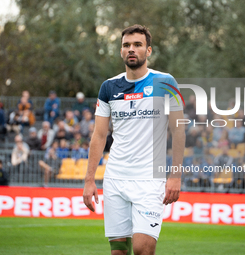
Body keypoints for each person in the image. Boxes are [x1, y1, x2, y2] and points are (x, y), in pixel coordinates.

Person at [83, 25, 185, 255]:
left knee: (142, 250)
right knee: (119, 251)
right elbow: (99, 135)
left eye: (137, 45)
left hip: (150, 181)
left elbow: (178, 130)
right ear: (121, 51)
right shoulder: (108, 87)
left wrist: (175, 175)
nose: (131, 49)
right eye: (126, 45)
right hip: (115, 178)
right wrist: (90, 179)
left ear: (148, 51)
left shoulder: (166, 82)